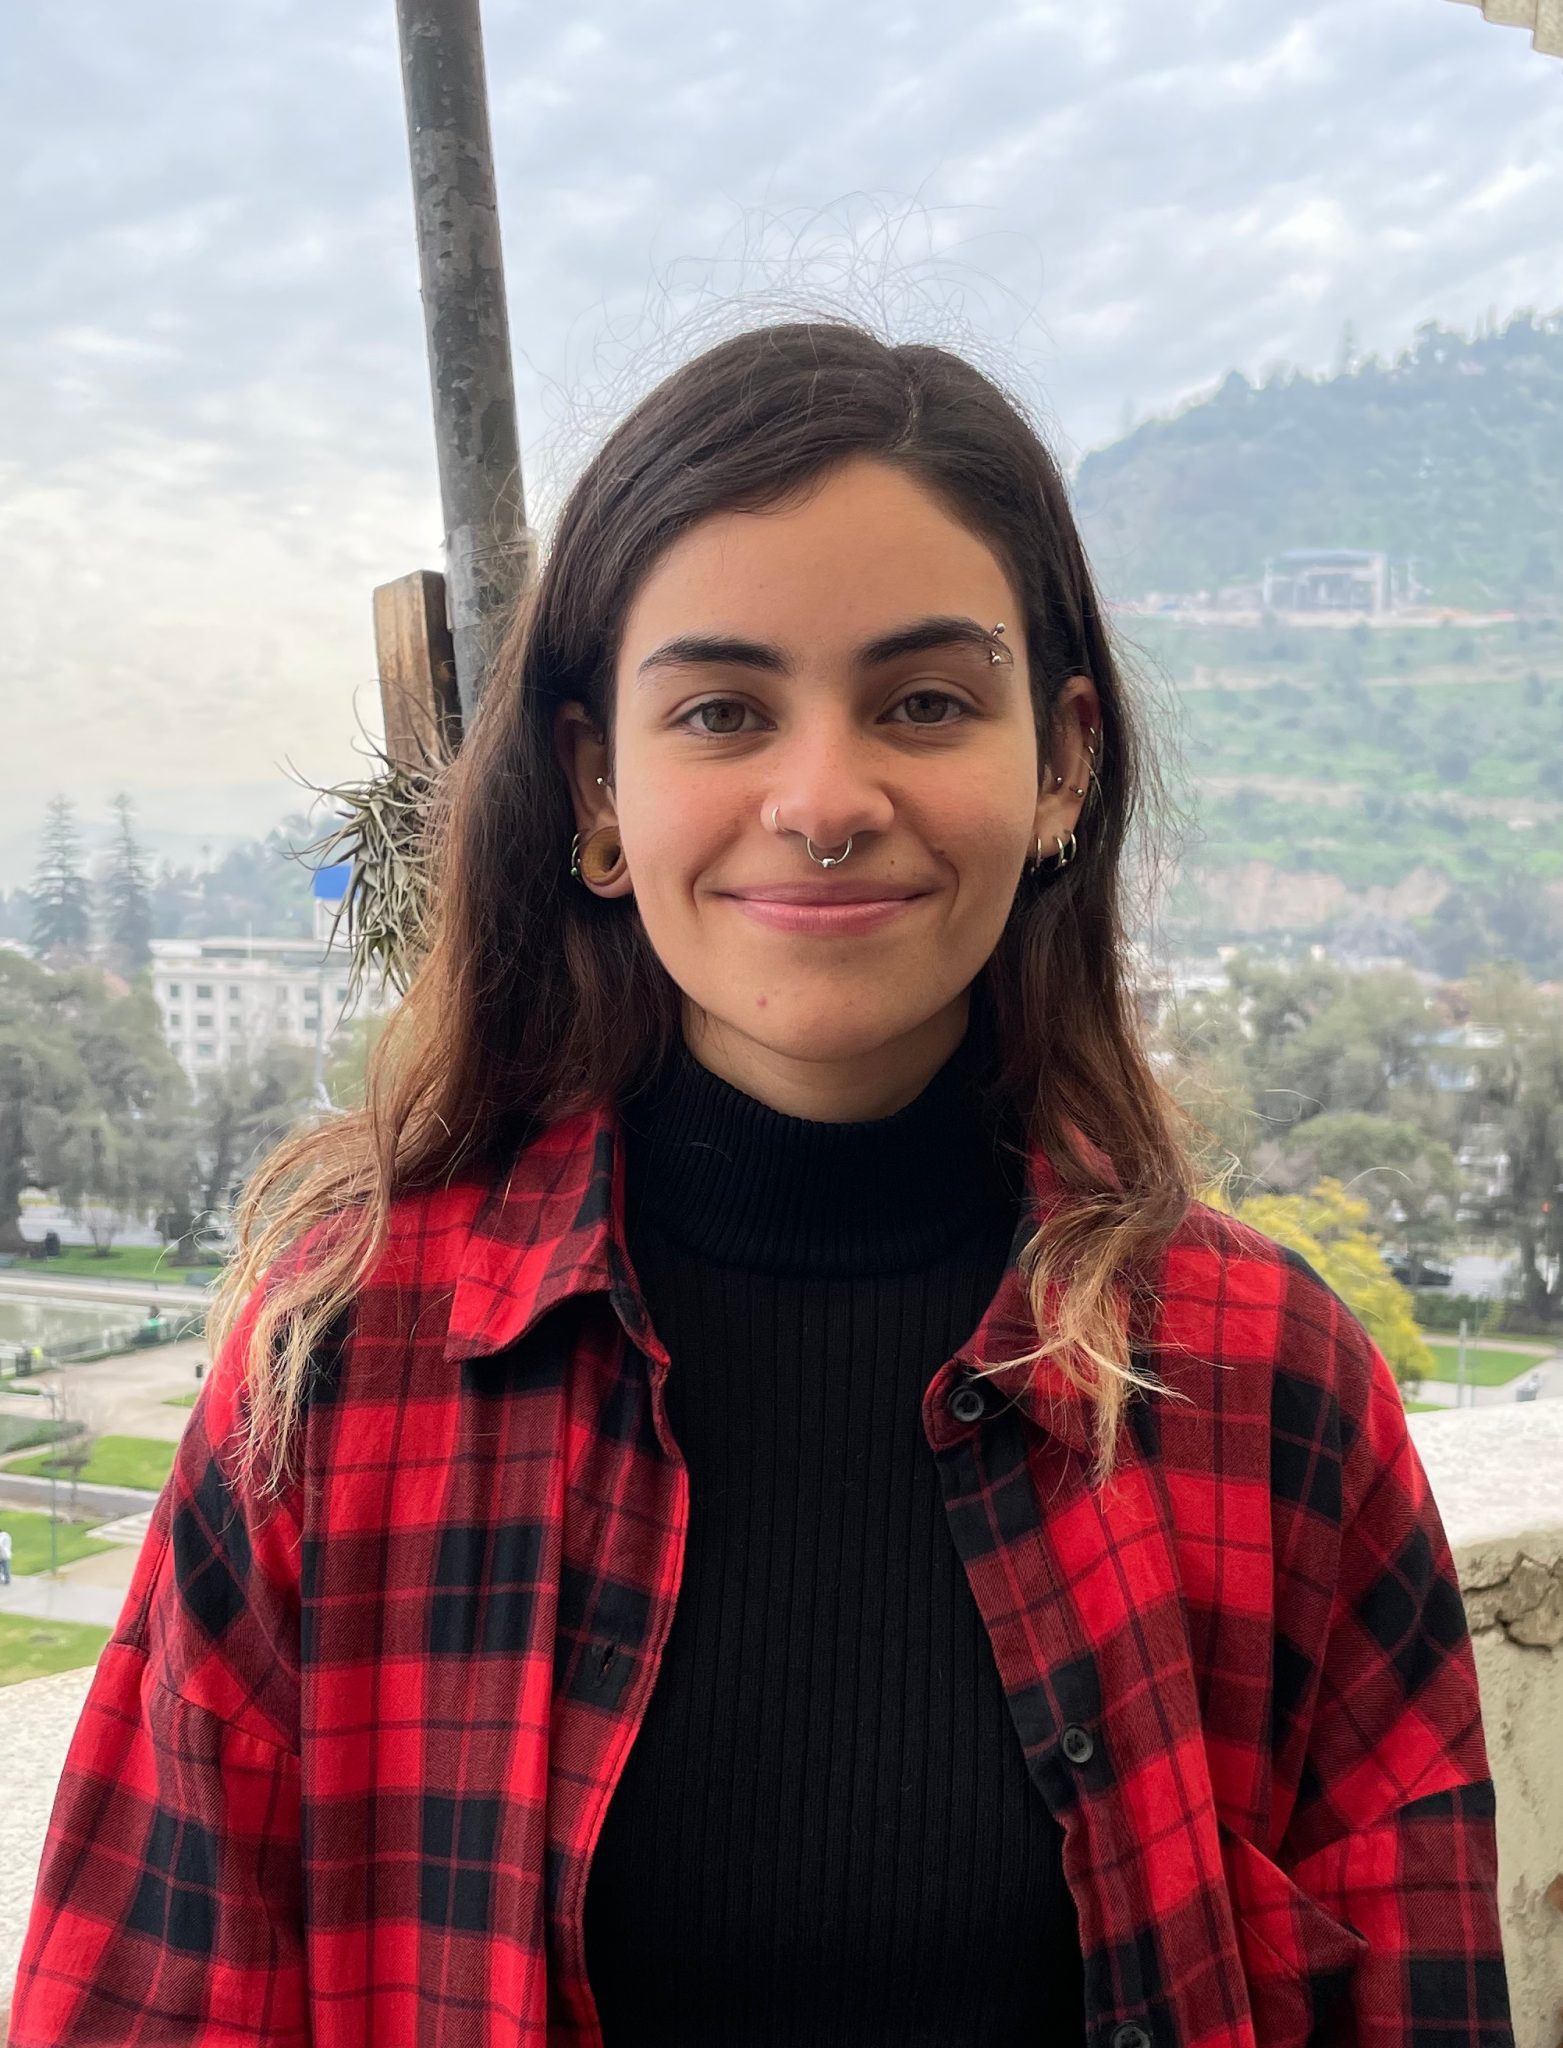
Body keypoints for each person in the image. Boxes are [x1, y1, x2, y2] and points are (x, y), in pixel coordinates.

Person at [11, 323, 1511, 2047]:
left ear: (1063, 764)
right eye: (724, 710)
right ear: (596, 785)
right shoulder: (345, 1376)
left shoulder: (1268, 1392)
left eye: (924, 702)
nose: (823, 800)